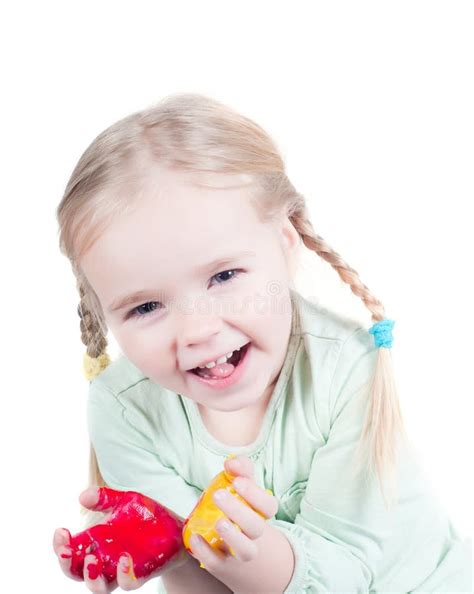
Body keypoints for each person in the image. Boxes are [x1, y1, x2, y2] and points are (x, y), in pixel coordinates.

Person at [53, 92, 472, 593]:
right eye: (146, 307)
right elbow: (200, 579)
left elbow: (351, 573)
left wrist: (261, 559)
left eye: (224, 275)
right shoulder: (123, 408)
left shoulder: (344, 369)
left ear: (286, 241)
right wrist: (163, 553)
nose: (197, 331)